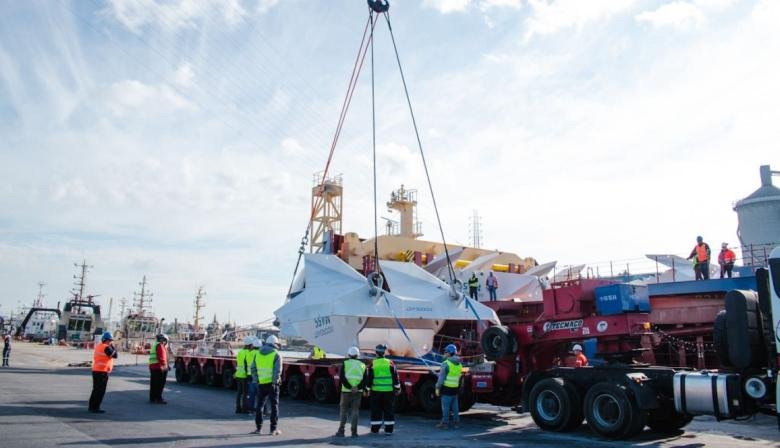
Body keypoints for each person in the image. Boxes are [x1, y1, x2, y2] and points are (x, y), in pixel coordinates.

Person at [251, 334, 283, 436]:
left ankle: (258, 429)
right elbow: (277, 371)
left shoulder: (258, 354)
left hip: (261, 383)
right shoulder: (276, 354)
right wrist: (274, 382)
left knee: (259, 406)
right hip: (272, 384)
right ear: (275, 344)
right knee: (274, 406)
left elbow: (253, 369)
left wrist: (257, 380)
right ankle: (273, 430)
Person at [366, 343, 401, 435]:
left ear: (376, 353)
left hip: (376, 391)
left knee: (376, 410)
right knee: (389, 410)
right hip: (389, 392)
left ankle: (375, 430)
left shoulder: (373, 363)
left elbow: (369, 378)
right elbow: (395, 377)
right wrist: (398, 388)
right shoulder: (390, 363)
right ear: (384, 353)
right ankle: (389, 430)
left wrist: (367, 389)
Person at [335, 346, 366, 438]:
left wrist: (350, 387)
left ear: (349, 354)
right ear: (358, 355)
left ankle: (341, 431)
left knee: (343, 410)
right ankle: (354, 432)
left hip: (346, 391)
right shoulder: (363, 365)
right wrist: (357, 388)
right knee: (355, 411)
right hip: (358, 392)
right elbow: (365, 380)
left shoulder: (345, 363)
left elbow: (342, 378)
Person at [88, 331, 118, 413]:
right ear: (107, 340)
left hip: (96, 370)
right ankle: (96, 407)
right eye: (110, 340)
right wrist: (113, 346)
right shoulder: (106, 347)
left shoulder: (99, 346)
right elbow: (115, 355)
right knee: (100, 391)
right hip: (102, 371)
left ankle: (91, 406)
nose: (111, 342)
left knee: (95, 389)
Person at [435, 344, 462, 429]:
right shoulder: (459, 364)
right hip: (455, 389)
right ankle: (456, 423)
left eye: (446, 352)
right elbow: (454, 375)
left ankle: (445, 423)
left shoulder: (446, 364)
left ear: (450, 353)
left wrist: (437, 387)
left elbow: (441, 379)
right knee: (455, 407)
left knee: (445, 407)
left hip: (446, 389)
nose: (444, 353)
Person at [235, 336, 254, 414]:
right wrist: (248, 374)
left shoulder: (240, 352)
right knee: (245, 393)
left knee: (239, 393)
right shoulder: (248, 353)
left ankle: (238, 408)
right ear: (250, 345)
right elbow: (247, 364)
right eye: (252, 345)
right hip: (244, 375)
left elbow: (237, 363)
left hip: (238, 374)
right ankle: (244, 409)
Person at [149, 334, 169, 404]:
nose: (165, 342)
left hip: (153, 367)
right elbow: (161, 357)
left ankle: (153, 398)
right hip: (159, 367)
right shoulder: (160, 345)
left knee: (154, 384)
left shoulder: (155, 345)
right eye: (165, 340)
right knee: (159, 384)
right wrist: (165, 365)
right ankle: (158, 398)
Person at [246, 336, 260, 413]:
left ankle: (250, 408)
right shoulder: (259, 353)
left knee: (251, 393)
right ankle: (262, 410)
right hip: (256, 376)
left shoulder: (249, 352)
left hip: (249, 374)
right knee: (260, 394)